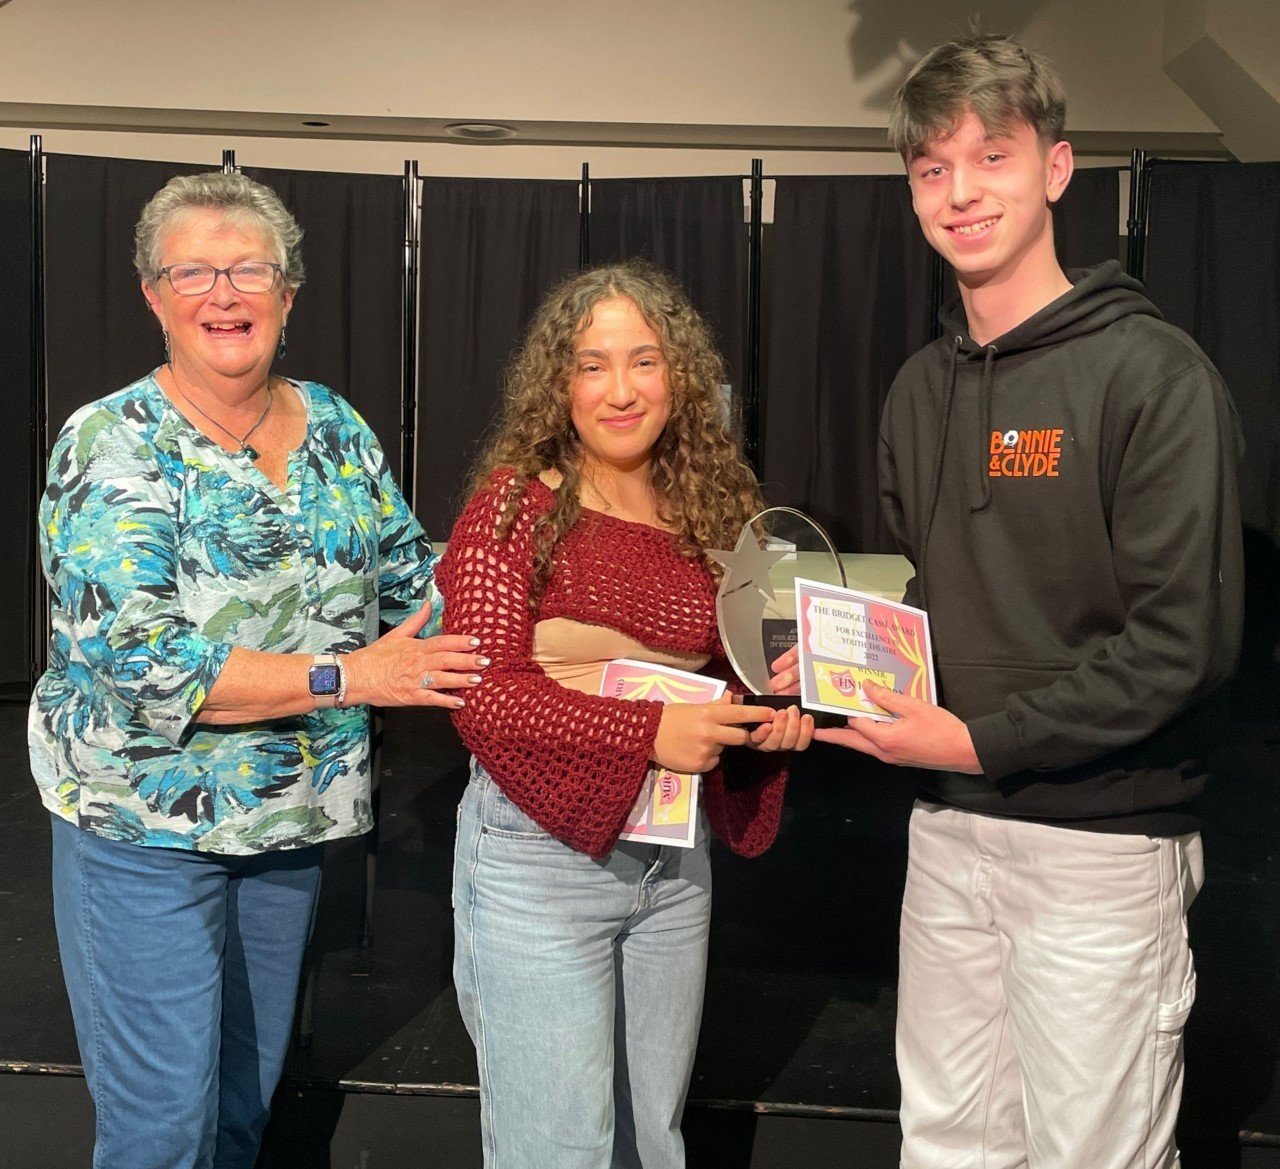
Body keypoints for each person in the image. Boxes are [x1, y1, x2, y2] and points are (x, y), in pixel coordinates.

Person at [772, 34, 1243, 1168]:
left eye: (990, 155)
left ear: (1055, 167)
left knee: (1092, 1153)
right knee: (947, 1143)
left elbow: (1183, 644)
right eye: (931, 168)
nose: (960, 190)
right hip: (947, 830)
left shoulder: (1151, 374)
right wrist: (839, 665)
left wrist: (979, 734)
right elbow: (930, 605)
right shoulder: (917, 390)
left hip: (1099, 847)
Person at [28, 170, 487, 1169]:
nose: (223, 294)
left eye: (249, 269)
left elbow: (416, 578)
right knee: (161, 1129)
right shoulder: (109, 446)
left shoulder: (335, 427)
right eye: (192, 270)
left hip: (287, 823)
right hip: (144, 830)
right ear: (152, 294)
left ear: (288, 293)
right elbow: (146, 662)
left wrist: (537, 545)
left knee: (241, 1110)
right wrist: (348, 677)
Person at [437, 260, 813, 1169]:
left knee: (652, 1140)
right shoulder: (513, 507)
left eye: (643, 361)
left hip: (672, 864)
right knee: (557, 1151)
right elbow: (481, 694)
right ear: (557, 384)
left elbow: (726, 674)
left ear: (678, 377)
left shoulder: (713, 509)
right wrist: (647, 734)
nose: (619, 388)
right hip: (537, 860)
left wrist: (769, 715)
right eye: (590, 364)